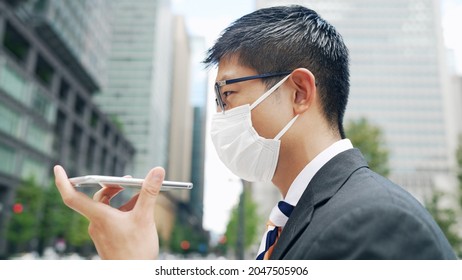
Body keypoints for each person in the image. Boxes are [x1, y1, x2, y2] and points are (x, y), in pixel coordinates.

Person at [54, 5, 457, 259]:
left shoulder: (372, 222)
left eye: (227, 95)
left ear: (299, 92)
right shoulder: (303, 215)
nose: (220, 115)